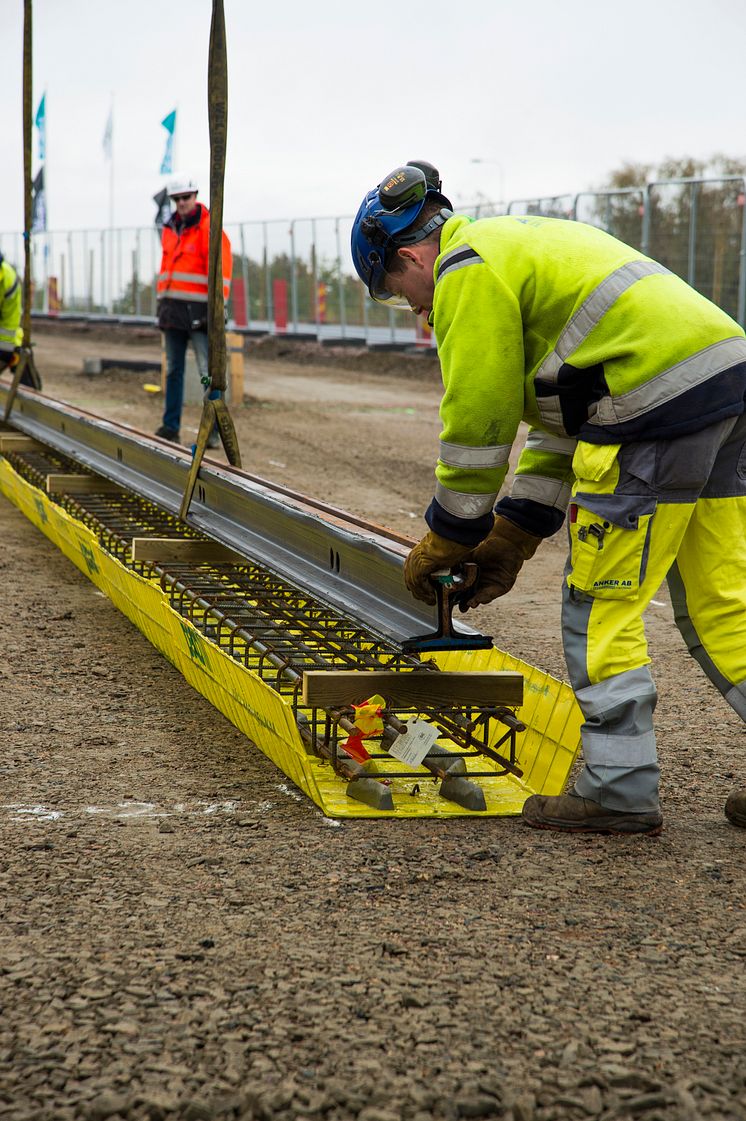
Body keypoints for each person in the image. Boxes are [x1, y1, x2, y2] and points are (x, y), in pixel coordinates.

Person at [351, 160, 746, 836]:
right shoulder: (514, 249)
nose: (416, 311)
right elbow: (563, 425)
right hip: (723, 379)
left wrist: (453, 534)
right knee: (722, 598)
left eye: (397, 291)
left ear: (411, 255)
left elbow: (478, 419)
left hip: (653, 402)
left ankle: (618, 788)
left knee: (601, 602)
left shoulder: (464, 270)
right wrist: (514, 534)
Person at [155, 175, 233, 447]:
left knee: (208, 374)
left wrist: (217, 311)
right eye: (177, 199)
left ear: (195, 196)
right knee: (174, 371)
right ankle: (170, 426)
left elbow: (221, 273)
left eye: (186, 197)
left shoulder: (210, 228)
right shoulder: (170, 229)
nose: (182, 203)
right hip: (173, 313)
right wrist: (162, 307)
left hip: (201, 315)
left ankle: (212, 432)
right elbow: (167, 271)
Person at [0, 252, 24, 381]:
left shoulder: (8, 280)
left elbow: (10, 322)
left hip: (6, 338)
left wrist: (5, 352)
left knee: (20, 356)